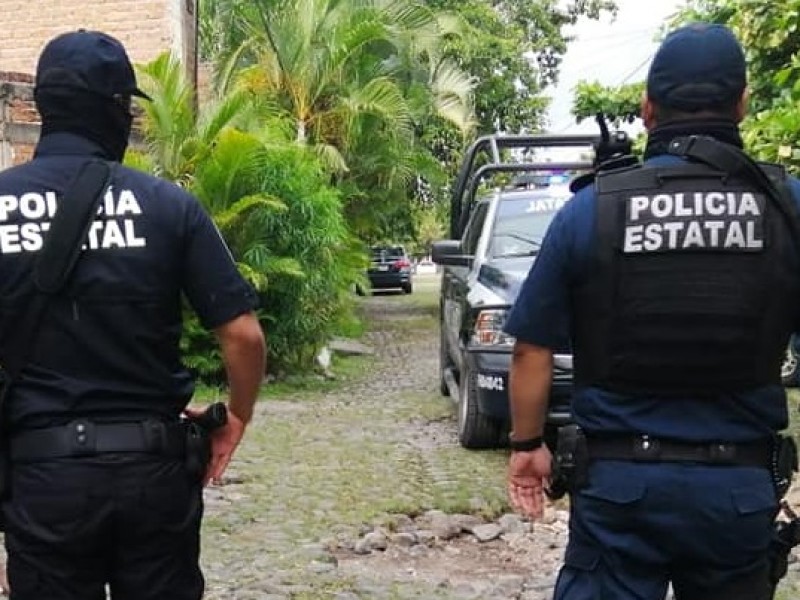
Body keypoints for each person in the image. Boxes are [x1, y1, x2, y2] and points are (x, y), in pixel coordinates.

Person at [503, 23, 800, 600]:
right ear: (741, 104)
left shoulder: (592, 210)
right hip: (736, 493)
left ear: (647, 109)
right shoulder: (786, 207)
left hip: (620, 489)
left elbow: (531, 347)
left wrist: (525, 447)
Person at [0, 30, 266, 599]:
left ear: (45, 106)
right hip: (152, 473)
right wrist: (237, 415)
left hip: (43, 477)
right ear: (118, 111)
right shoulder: (170, 205)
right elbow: (243, 335)